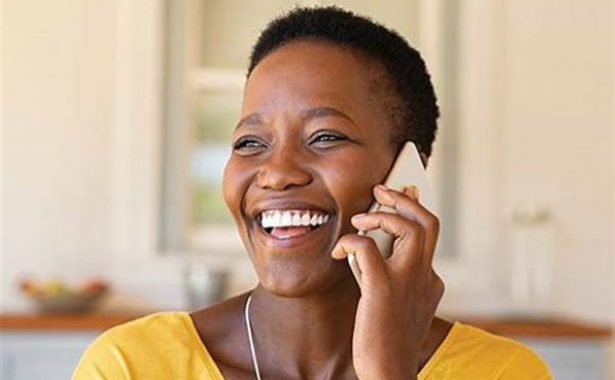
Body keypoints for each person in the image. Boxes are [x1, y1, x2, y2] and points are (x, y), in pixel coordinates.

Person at [72, 6, 551, 380]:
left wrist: (388, 370)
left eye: (325, 137)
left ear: (406, 177)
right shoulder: (129, 365)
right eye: (250, 143)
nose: (276, 174)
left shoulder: (504, 372)